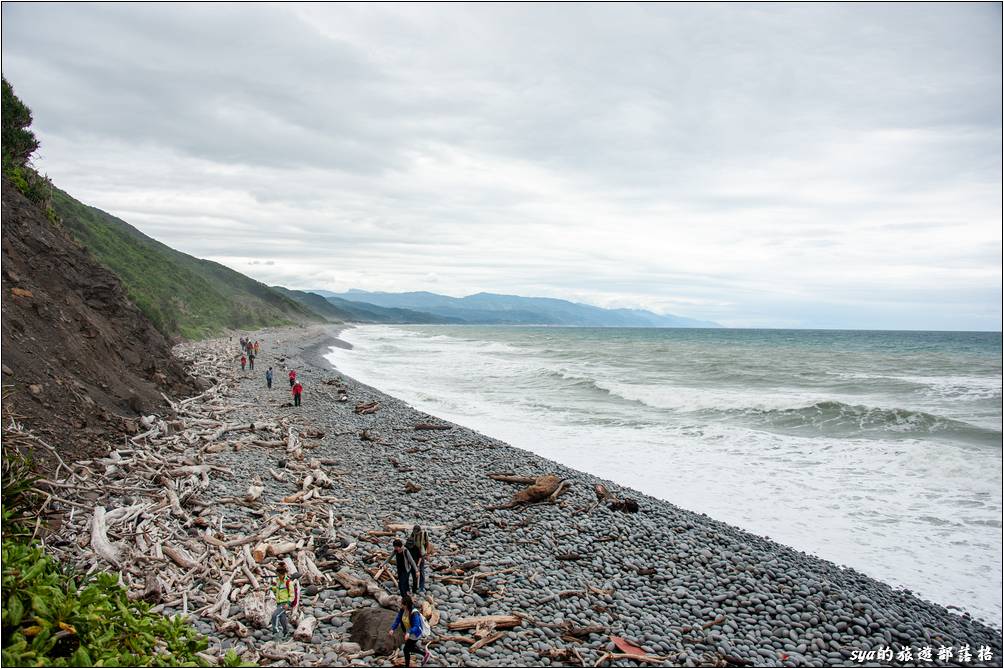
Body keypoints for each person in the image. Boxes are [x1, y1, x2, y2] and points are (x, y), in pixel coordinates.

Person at [388, 594, 430, 667]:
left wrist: (408, 633)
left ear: (406, 604)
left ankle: (423, 655)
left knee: (406, 649)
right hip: (408, 633)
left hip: (414, 633)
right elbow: (397, 620)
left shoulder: (414, 613)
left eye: (402, 603)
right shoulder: (402, 610)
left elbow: (416, 626)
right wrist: (392, 629)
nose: (400, 604)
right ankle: (424, 654)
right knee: (410, 648)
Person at [270, 562, 299, 638]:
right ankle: (286, 632)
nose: (277, 575)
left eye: (278, 574)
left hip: (285, 603)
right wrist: (270, 588)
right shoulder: (279, 581)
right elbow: (277, 589)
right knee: (282, 619)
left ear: (282, 574)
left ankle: (275, 631)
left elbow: (292, 595)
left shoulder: (289, 582)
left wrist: (288, 603)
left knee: (275, 615)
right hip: (279, 602)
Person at [407, 525, 431, 594]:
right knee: (414, 570)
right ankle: (415, 585)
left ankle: (421, 586)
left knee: (421, 570)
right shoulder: (413, 533)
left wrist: (428, 554)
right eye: (414, 532)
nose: (415, 534)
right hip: (414, 553)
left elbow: (427, 544)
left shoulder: (424, 534)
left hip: (422, 553)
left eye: (416, 533)